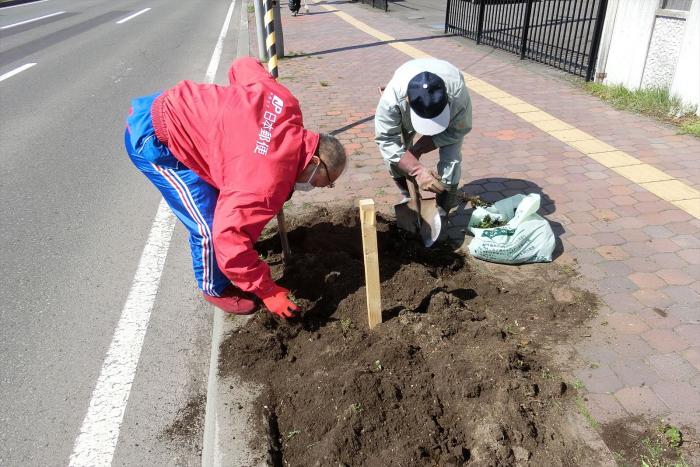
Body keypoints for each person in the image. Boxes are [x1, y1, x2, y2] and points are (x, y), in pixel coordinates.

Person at [124, 57, 346, 318]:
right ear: (316, 161)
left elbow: (243, 65)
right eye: (324, 183)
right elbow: (227, 238)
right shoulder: (264, 184)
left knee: (230, 206)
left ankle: (241, 257)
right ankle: (214, 287)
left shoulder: (285, 103)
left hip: (180, 105)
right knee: (209, 228)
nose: (319, 187)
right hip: (156, 139)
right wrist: (267, 291)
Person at [375, 57, 472, 215]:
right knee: (395, 156)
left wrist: (417, 149)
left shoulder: (458, 96)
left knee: (452, 159)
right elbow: (386, 140)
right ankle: (409, 197)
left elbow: (458, 130)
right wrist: (417, 170)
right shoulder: (392, 100)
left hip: (450, 115)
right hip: (404, 105)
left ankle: (442, 210)